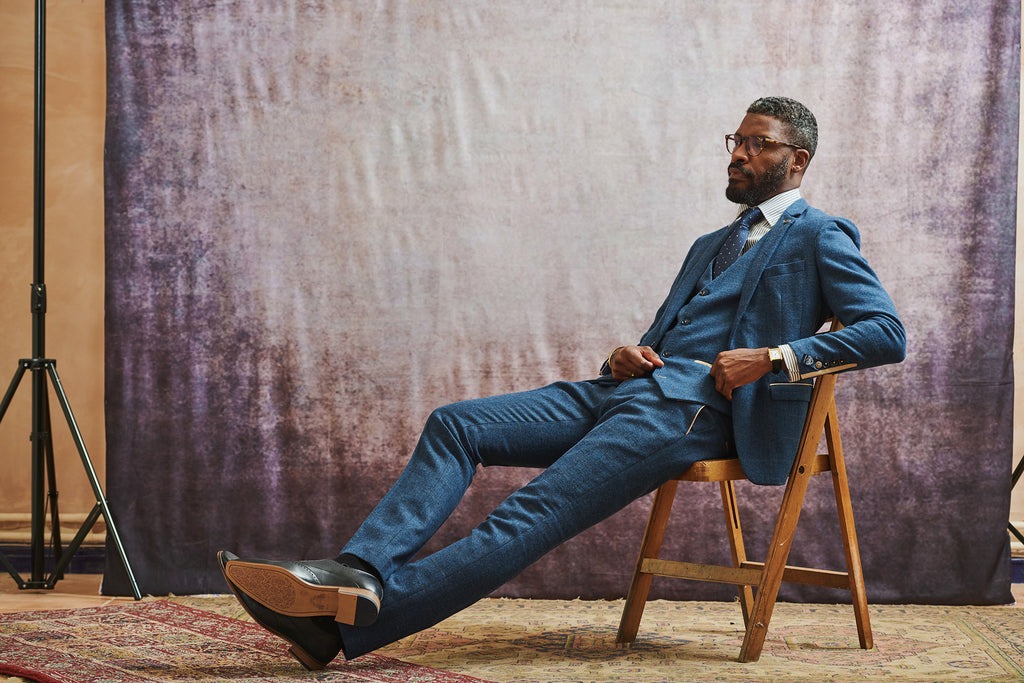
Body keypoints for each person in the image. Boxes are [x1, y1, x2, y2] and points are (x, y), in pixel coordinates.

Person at [218, 96, 906, 670]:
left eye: (758, 145)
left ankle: (342, 626)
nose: (738, 154)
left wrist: (773, 358)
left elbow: (885, 332)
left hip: (697, 412)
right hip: (628, 390)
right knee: (456, 423)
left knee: (528, 511)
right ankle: (357, 572)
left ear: (797, 159)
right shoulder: (710, 244)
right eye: (737, 140)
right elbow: (672, 334)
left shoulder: (818, 235)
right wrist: (626, 355)